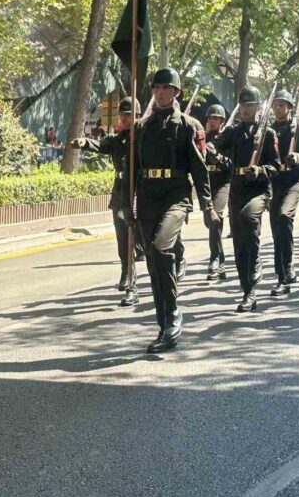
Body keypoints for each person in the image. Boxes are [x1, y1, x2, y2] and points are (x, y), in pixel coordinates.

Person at [126, 68, 216, 353]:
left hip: (176, 195)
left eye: (166, 88)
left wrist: (207, 207)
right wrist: (130, 205)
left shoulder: (189, 125)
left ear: (176, 92)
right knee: (153, 260)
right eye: (156, 88)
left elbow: (200, 171)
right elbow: (133, 170)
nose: (160, 93)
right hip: (149, 196)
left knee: (160, 247)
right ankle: (164, 322)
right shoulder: (141, 127)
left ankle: (174, 313)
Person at [70, 97, 144, 306]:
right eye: (123, 114)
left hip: (141, 193)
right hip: (121, 196)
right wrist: (85, 142)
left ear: (137, 116)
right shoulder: (118, 139)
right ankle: (130, 281)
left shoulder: (145, 136)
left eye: (129, 114)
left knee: (144, 243)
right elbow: (102, 145)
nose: (125, 117)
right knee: (124, 240)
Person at [210, 86, 277, 311]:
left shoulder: (268, 132)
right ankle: (248, 291)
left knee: (248, 218)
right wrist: (207, 146)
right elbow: (216, 144)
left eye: (250, 105)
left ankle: (256, 256)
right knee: (238, 241)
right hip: (237, 188)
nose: (245, 110)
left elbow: (276, 165)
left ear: (258, 107)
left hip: (258, 189)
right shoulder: (234, 131)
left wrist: (260, 170)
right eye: (242, 105)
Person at [267, 89, 299, 297]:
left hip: (294, 180)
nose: (278, 108)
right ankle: (285, 268)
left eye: (283, 105)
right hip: (275, 181)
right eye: (276, 104)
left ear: (290, 108)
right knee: (277, 228)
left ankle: (284, 274)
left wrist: (298, 158)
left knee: (285, 216)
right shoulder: (268, 130)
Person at [204, 103, 231, 281]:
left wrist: (218, 157)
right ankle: (220, 259)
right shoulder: (203, 138)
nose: (212, 121)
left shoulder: (227, 137)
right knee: (209, 222)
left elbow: (231, 163)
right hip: (207, 183)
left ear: (222, 121)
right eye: (210, 118)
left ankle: (214, 259)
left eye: (216, 118)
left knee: (216, 218)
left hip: (223, 182)